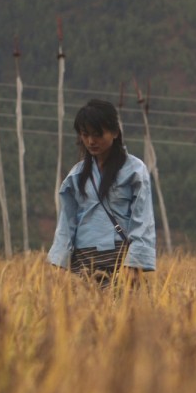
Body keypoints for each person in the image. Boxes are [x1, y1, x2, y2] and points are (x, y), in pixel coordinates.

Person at [47, 99, 156, 286]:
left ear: (115, 132)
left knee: (122, 305)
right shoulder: (76, 176)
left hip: (120, 262)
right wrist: (59, 265)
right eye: (85, 134)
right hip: (83, 263)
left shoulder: (135, 170)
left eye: (97, 134)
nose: (91, 141)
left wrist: (134, 263)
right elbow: (66, 224)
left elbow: (143, 220)